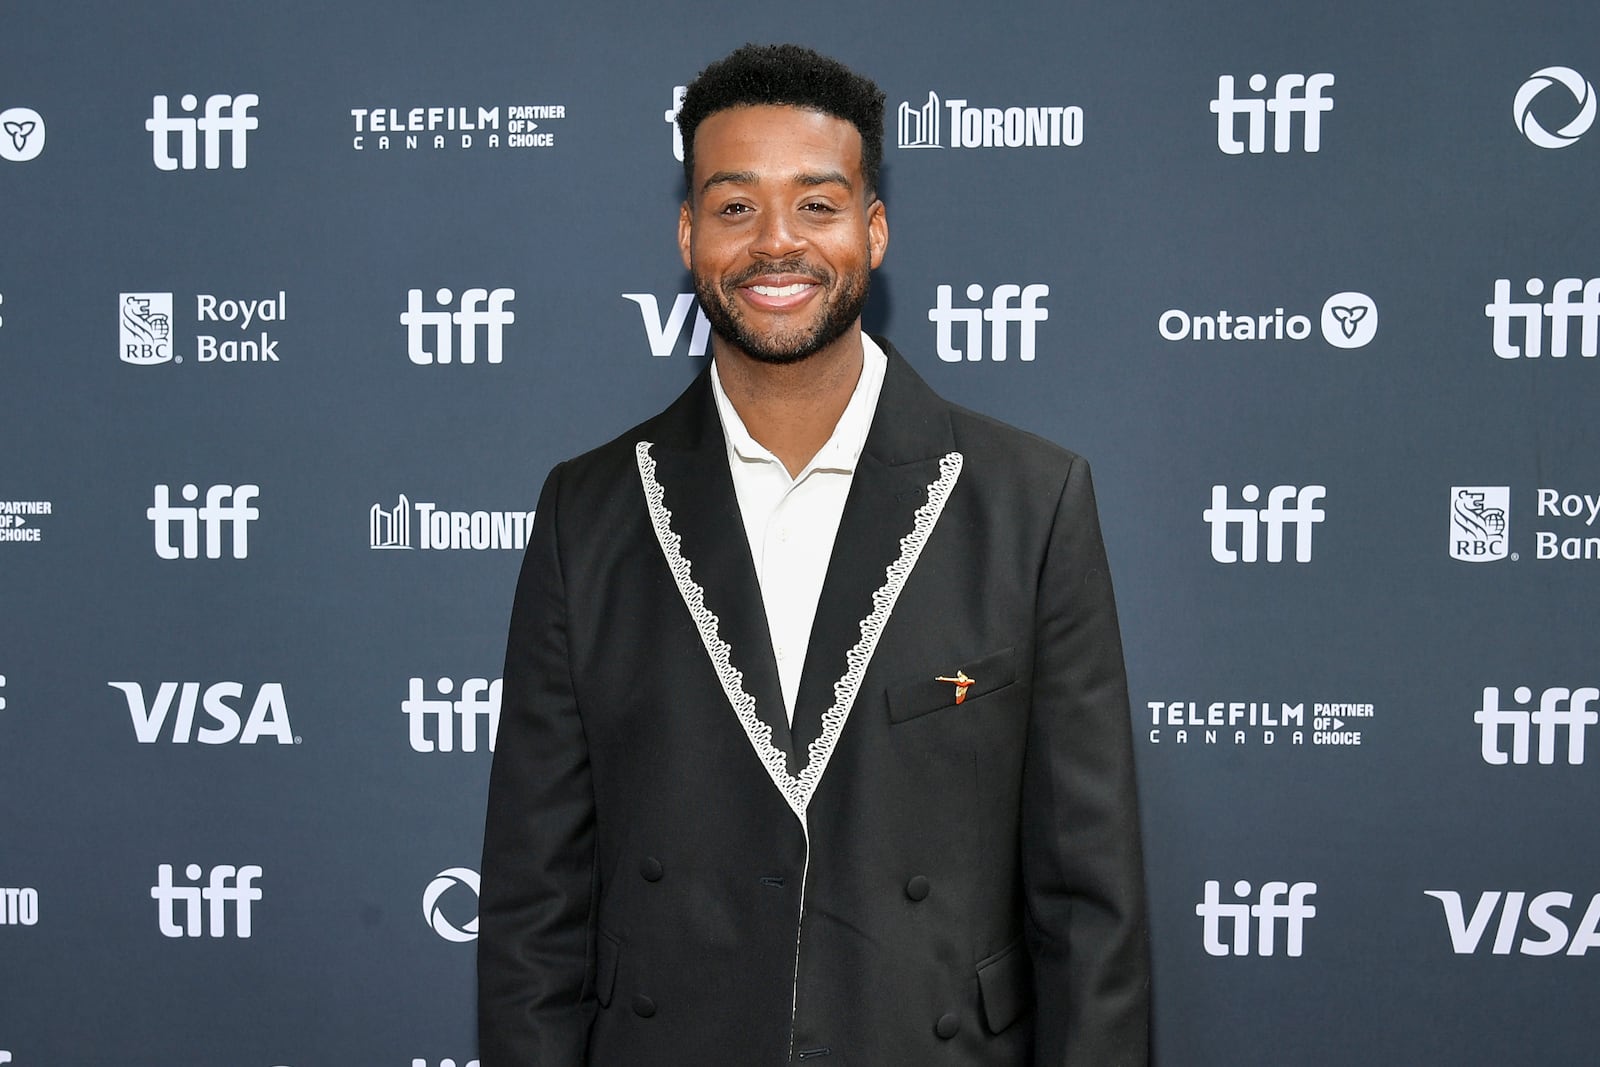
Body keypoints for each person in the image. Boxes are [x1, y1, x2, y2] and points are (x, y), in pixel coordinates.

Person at [479, 42, 1149, 1066]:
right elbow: (536, 902)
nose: (775, 242)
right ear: (687, 233)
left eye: (817, 204)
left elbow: (1087, 902)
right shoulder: (591, 508)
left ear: (873, 231)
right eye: (735, 206)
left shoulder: (1027, 499)